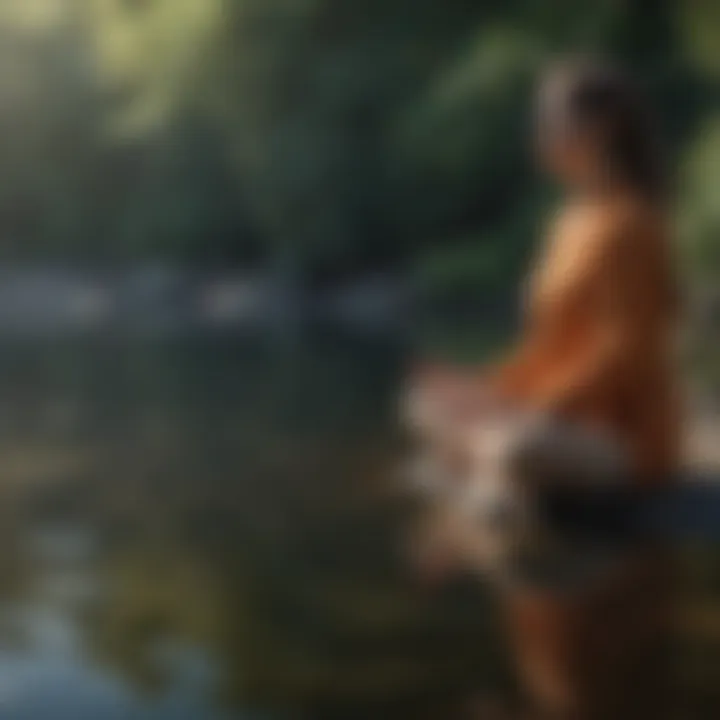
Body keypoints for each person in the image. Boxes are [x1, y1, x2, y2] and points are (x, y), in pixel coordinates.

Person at [409, 57, 682, 719]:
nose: (540, 135)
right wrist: (485, 387)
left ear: (604, 126)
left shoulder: (633, 223)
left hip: (622, 437)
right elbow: (544, 350)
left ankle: (479, 506)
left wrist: (513, 409)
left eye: (552, 121)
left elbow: (626, 356)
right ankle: (488, 483)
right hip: (556, 421)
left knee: (515, 448)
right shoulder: (567, 223)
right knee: (425, 405)